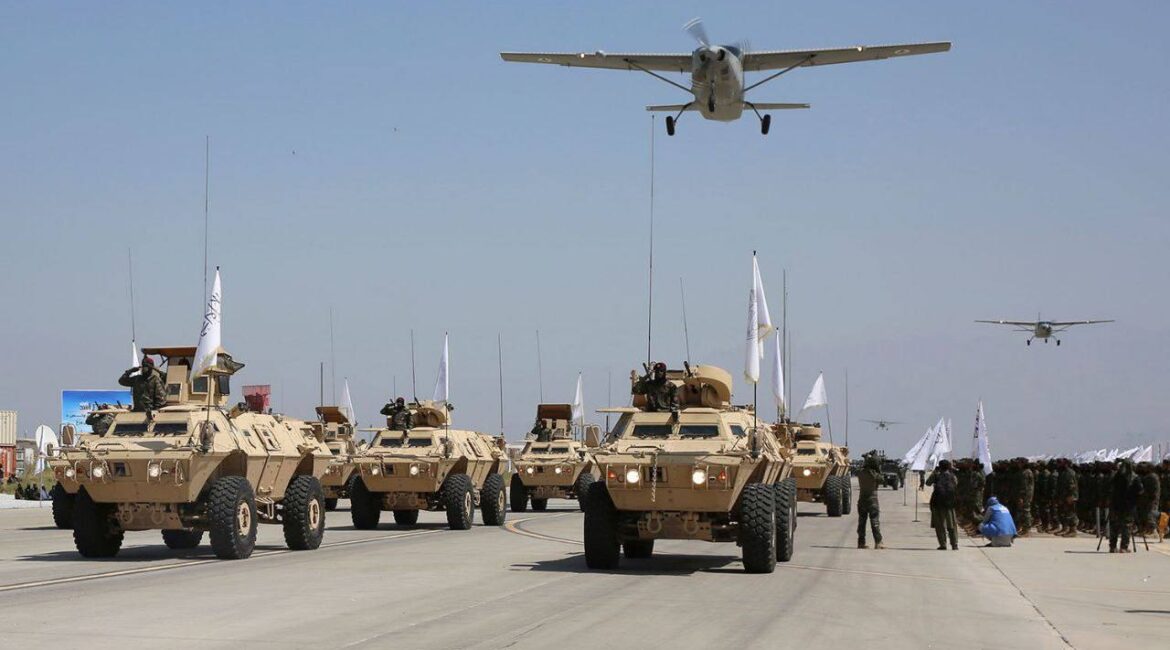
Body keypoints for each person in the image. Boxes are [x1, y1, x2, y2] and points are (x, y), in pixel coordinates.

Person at [1108, 460, 1142, 553]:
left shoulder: (1117, 476)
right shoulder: (1134, 477)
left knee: (1114, 526)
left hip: (1116, 505)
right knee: (1126, 526)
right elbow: (1140, 491)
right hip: (1128, 506)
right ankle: (1124, 547)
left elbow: (1110, 487)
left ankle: (1112, 546)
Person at [927, 459, 959, 550]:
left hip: (938, 503)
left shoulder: (936, 475)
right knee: (952, 525)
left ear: (940, 467)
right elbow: (956, 484)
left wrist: (934, 472)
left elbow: (928, 483)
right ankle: (954, 544)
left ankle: (943, 544)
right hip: (950, 504)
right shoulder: (952, 476)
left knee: (940, 525)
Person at [856, 452, 884, 550]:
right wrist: (878, 469)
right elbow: (882, 479)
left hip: (862, 500)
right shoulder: (874, 474)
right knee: (875, 521)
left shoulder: (860, 472)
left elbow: (860, 470)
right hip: (872, 500)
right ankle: (878, 542)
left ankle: (861, 542)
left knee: (862, 522)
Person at [1055, 458, 1079, 537]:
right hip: (1064, 496)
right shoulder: (1062, 472)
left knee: (1071, 513)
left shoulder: (1070, 472)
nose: (1058, 465)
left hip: (1070, 496)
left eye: (1060, 463)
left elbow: (1072, 486)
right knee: (1064, 513)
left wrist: (1070, 496)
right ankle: (1065, 528)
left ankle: (1073, 530)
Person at [1136, 462, 1160, 538]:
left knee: (1150, 514)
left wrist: (1151, 497)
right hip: (1147, 499)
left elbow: (1153, 489)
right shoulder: (1148, 476)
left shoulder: (1152, 477)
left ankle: (1153, 531)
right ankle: (1148, 530)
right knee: (1146, 515)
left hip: (1151, 499)